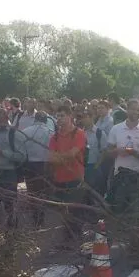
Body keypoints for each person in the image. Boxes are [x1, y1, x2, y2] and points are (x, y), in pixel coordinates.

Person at [104, 99, 139, 249]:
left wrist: (133, 152)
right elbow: (108, 152)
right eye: (133, 109)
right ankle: (110, 246)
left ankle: (136, 247)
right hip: (119, 176)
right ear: (127, 110)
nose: (136, 113)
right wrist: (118, 151)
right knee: (115, 212)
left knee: (137, 215)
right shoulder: (116, 129)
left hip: (138, 178)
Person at [49, 106, 87, 247]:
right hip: (59, 179)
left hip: (75, 178)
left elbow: (73, 154)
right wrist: (64, 157)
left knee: (75, 211)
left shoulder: (79, 133)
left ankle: (76, 241)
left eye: (62, 115)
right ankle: (67, 239)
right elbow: (51, 158)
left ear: (70, 116)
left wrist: (60, 157)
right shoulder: (55, 137)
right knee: (63, 211)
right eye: (58, 116)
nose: (59, 119)